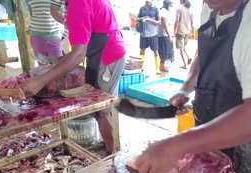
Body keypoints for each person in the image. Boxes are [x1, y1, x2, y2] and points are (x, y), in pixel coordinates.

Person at [132, 0, 251, 173]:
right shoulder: (212, 5)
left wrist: (175, 145)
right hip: (208, 114)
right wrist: (186, 88)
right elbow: (205, 52)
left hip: (248, 136)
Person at [21, 0, 126, 155]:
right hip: (103, 49)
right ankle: (108, 143)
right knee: (101, 107)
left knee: (102, 108)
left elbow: (78, 54)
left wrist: (41, 80)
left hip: (108, 55)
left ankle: (112, 154)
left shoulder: (77, 5)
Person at [26, 0, 62, 65]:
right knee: (42, 68)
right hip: (37, 36)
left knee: (57, 68)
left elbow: (62, 12)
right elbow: (31, 13)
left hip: (54, 36)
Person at [138, 0, 161, 74]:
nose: (147, 4)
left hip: (153, 33)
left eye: (149, 2)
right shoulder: (142, 8)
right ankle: (140, 67)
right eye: (146, 2)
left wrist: (149, 20)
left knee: (155, 50)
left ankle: (157, 68)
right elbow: (137, 18)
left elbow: (159, 22)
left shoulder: (156, 9)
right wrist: (142, 19)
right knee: (142, 50)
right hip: (143, 33)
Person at [174, 0, 193, 69]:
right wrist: (192, 32)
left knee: (181, 50)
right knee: (183, 47)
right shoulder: (190, 9)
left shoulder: (179, 8)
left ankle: (185, 65)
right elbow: (192, 22)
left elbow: (177, 21)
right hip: (187, 31)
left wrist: (174, 31)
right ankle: (189, 56)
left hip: (180, 31)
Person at [157, 0, 175, 72]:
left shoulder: (167, 11)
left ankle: (163, 65)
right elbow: (165, 25)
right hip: (164, 35)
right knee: (164, 51)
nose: (172, 6)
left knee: (166, 50)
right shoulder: (163, 11)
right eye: (171, 5)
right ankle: (162, 66)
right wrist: (169, 35)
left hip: (166, 34)